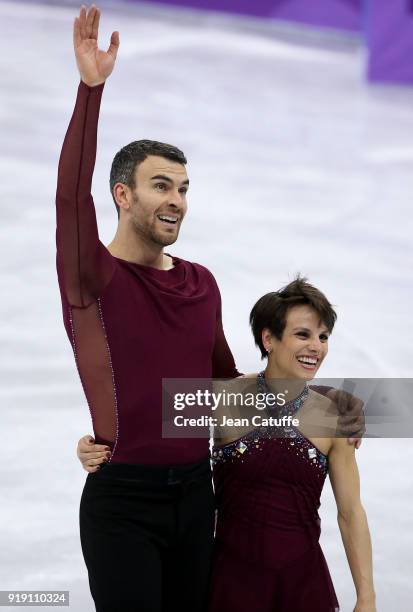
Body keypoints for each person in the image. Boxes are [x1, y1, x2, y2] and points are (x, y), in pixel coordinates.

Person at [60, 5, 364, 612]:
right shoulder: (93, 278)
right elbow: (69, 194)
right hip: (124, 502)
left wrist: (331, 399)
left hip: (199, 497)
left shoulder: (201, 283)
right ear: (123, 195)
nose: (177, 201)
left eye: (184, 188)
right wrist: (90, 91)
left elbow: (227, 387)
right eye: (161, 186)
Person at [208, 278, 376, 612]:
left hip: (302, 587)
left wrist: (366, 597)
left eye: (323, 336)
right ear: (268, 338)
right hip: (230, 584)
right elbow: (155, 441)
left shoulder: (334, 418)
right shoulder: (221, 400)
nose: (317, 346)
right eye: (303, 334)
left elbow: (350, 511)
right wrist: (93, 444)